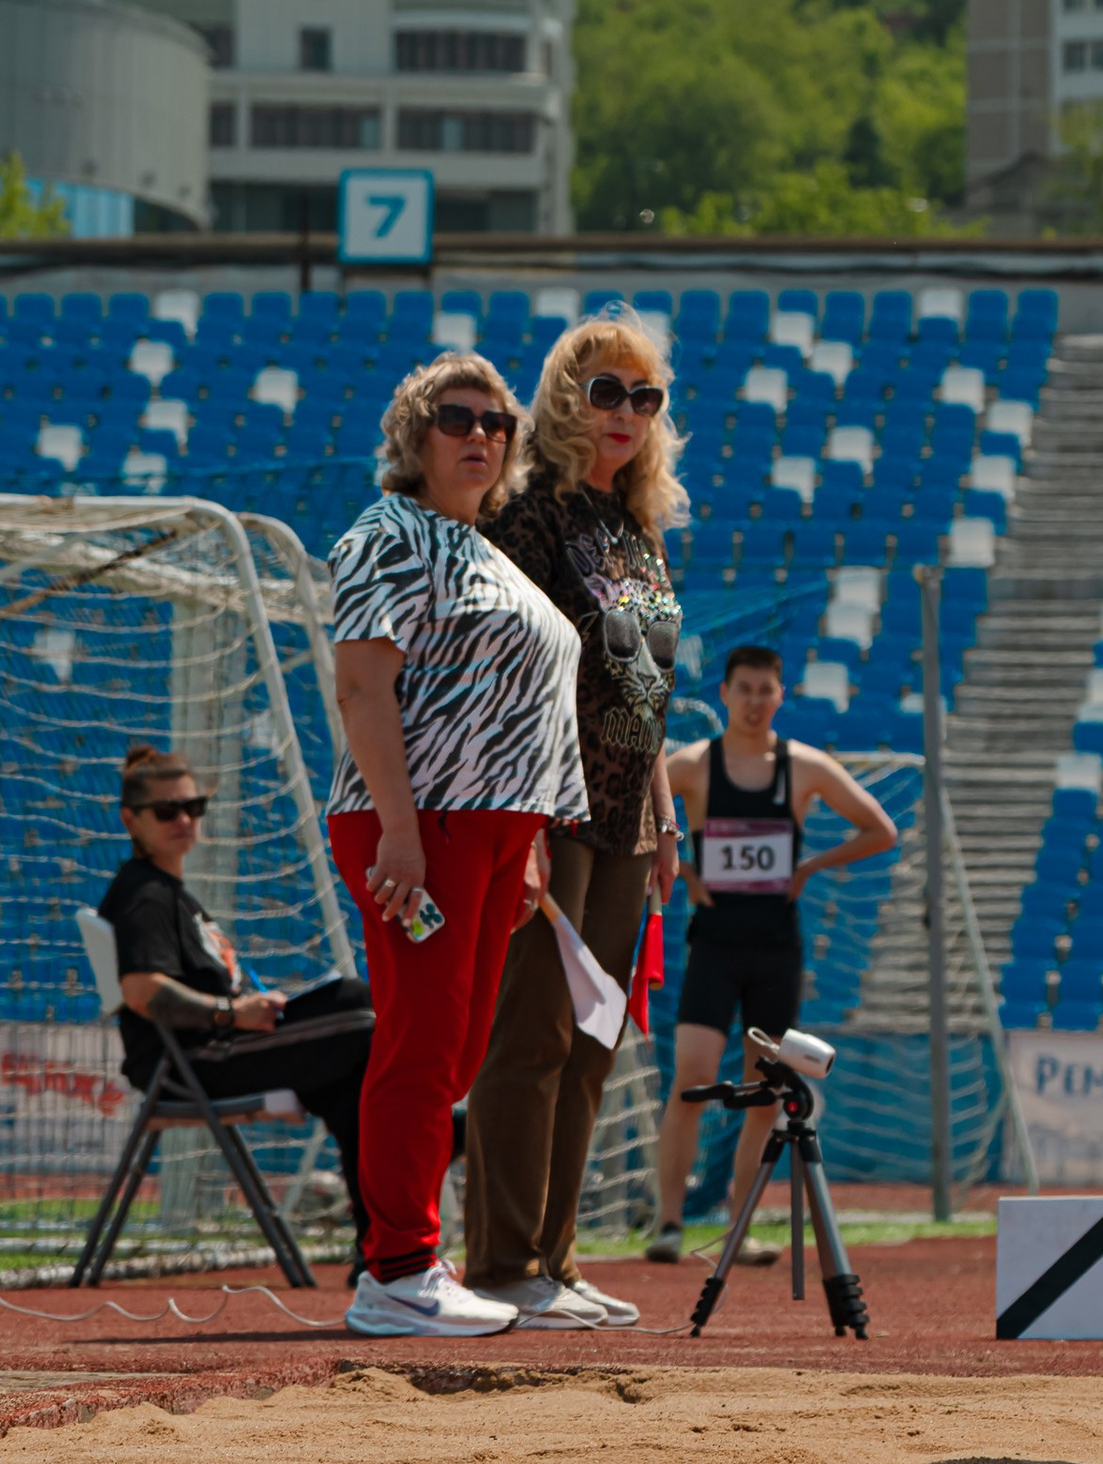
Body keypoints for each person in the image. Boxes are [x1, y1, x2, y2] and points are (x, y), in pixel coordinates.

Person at [326, 351, 587, 1337]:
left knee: (461, 1048)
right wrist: (399, 829)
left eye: (497, 422)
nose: (479, 433)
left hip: (492, 829)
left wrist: (527, 840)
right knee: (421, 1044)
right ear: (413, 435)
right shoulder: (387, 534)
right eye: (454, 417)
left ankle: (411, 1262)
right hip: (418, 823)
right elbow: (363, 687)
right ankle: (395, 1268)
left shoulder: (486, 551)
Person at [466, 309, 687, 1328]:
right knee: (534, 1036)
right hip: (546, 808)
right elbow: (504, 675)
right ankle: (504, 1261)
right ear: (564, 400)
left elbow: (644, 690)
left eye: (644, 397)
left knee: (593, 1045)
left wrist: (664, 821)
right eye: (607, 392)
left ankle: (553, 1258)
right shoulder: (532, 513)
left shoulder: (634, 525)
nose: (627, 413)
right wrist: (519, 830)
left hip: (623, 820)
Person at [647, 647, 898, 1263]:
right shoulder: (695, 765)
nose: (757, 701)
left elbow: (881, 829)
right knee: (692, 1076)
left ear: (781, 695)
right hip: (713, 943)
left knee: (765, 1090)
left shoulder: (805, 767)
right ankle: (669, 1224)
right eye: (746, 689)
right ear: (726, 695)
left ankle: (739, 1227)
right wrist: (676, 854)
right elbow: (638, 795)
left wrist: (812, 865)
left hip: (776, 948)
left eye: (767, 690)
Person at [98, 745, 379, 1271]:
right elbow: (141, 990)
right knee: (357, 1011)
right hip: (189, 1063)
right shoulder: (145, 894)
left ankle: (380, 1252)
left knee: (350, 1088)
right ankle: (443, 1139)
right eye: (167, 811)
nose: (184, 819)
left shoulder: (173, 891)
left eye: (193, 807)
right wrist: (233, 1013)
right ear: (130, 820)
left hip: (213, 1049)